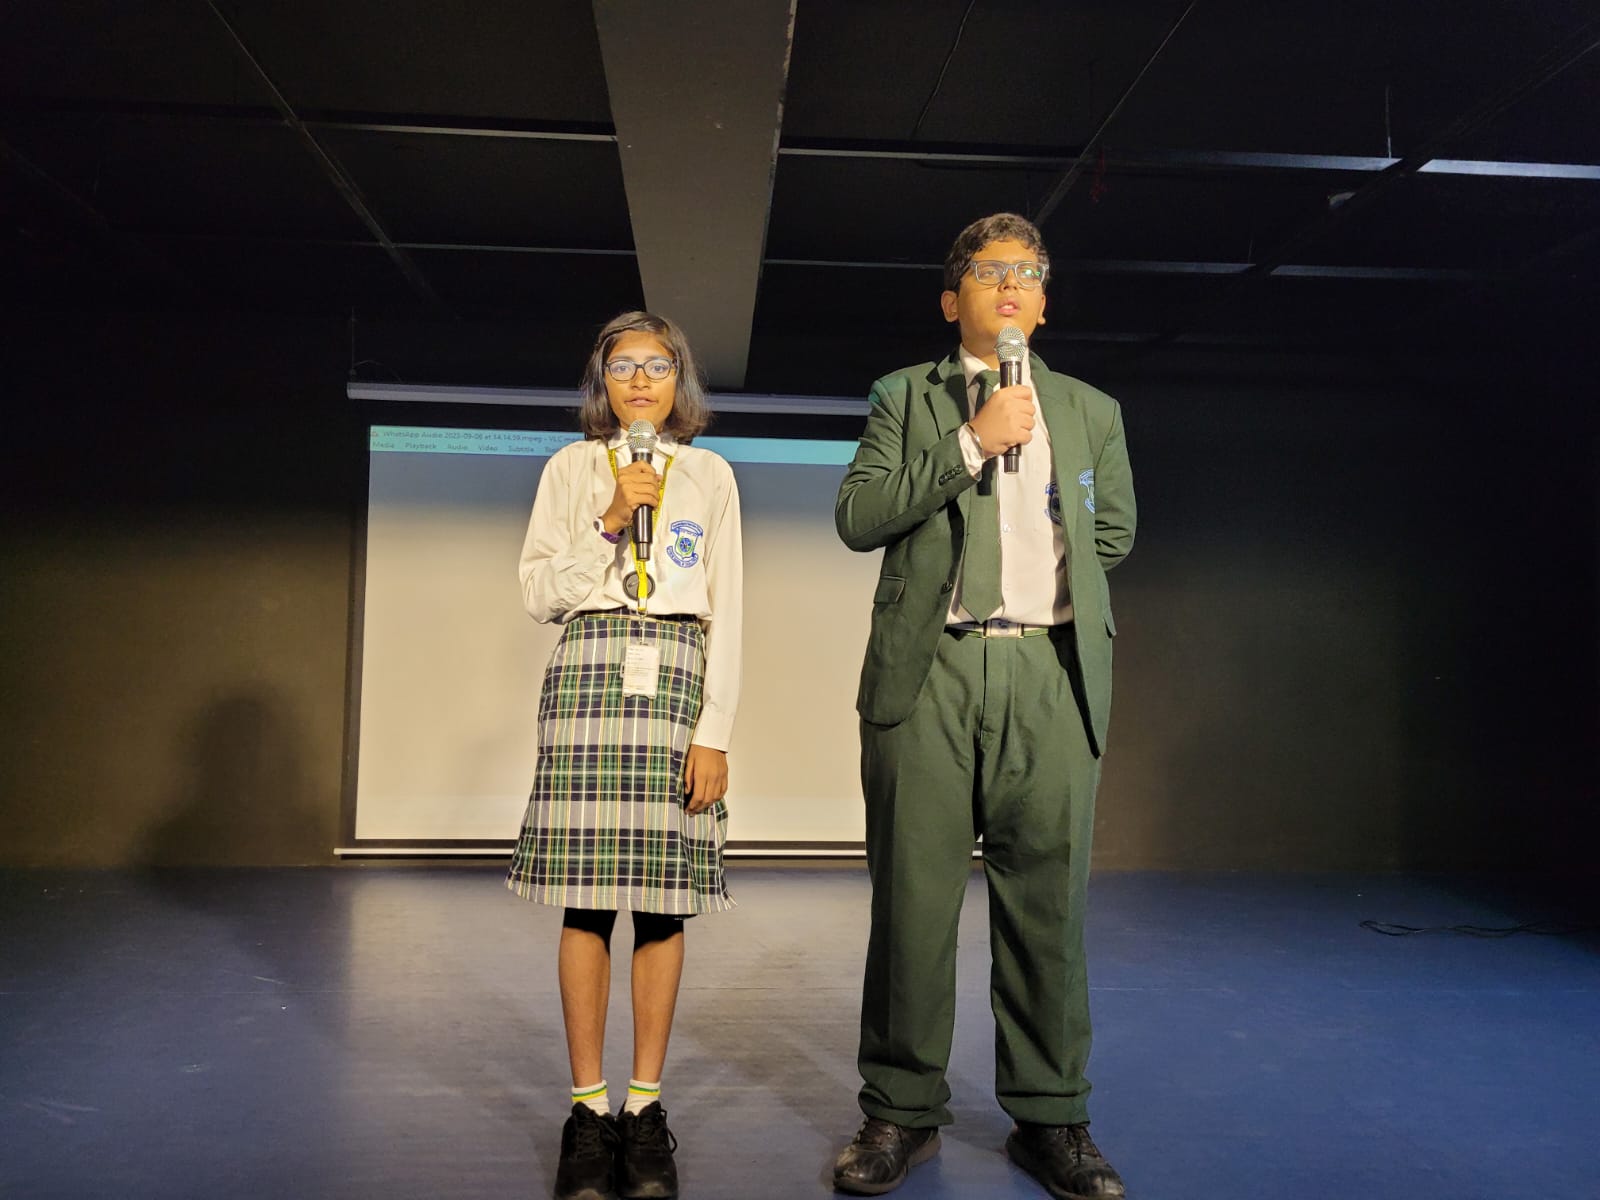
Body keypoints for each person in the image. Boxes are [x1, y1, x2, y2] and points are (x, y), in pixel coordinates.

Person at [831, 213, 1136, 1200]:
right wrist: (971, 442)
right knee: (913, 907)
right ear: (950, 297)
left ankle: (1051, 1118)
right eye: (990, 269)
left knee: (1047, 911)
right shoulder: (903, 397)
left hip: (1049, 672)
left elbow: (1113, 533)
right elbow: (860, 516)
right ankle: (898, 1109)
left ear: (1042, 305)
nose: (1011, 284)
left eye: (1028, 272)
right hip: (934, 671)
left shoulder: (1090, 410)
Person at [508, 310, 743, 1200]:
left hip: (677, 675)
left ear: (681, 380)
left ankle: (644, 1111)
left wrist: (715, 729)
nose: (640, 380)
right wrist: (609, 520)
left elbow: (730, 606)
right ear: (601, 382)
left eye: (657, 365)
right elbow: (541, 593)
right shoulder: (570, 469)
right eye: (623, 366)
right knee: (586, 901)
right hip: (588, 674)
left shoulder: (710, 475)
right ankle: (587, 1112)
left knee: (662, 905)